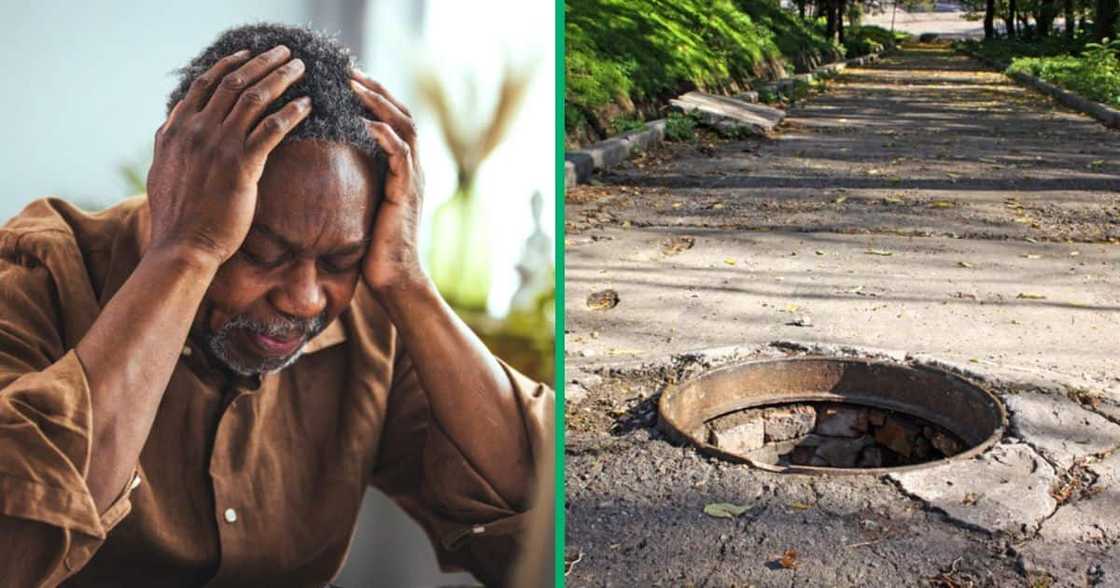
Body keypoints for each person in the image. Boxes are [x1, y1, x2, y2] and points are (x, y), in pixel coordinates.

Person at [0, 23, 552, 587]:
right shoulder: (36, 276)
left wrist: (408, 282)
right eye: (260, 253)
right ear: (178, 191)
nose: (304, 298)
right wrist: (187, 253)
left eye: (339, 263)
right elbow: (15, 541)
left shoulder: (373, 318)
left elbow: (542, 524)